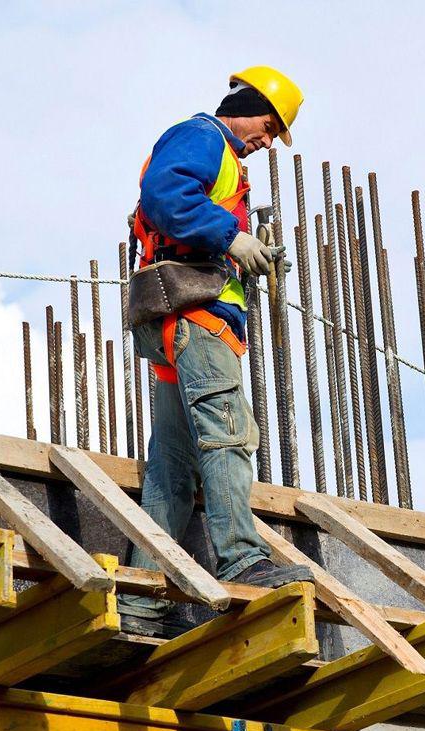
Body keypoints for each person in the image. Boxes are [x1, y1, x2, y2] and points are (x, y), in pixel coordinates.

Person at [120, 66, 309, 636]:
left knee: (173, 468)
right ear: (246, 105)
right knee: (228, 435)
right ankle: (242, 557)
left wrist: (244, 251)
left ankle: (144, 598)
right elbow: (165, 195)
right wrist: (232, 238)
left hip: (182, 319)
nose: (268, 141)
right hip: (197, 319)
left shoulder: (224, 159)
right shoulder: (203, 137)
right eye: (269, 125)